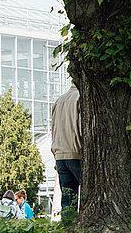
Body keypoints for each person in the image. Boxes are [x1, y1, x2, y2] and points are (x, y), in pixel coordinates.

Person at [52, 84, 81, 212]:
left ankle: (67, 225)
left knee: (67, 200)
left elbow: (53, 129)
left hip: (60, 154)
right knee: (88, 194)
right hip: (76, 152)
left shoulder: (59, 101)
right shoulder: (81, 98)